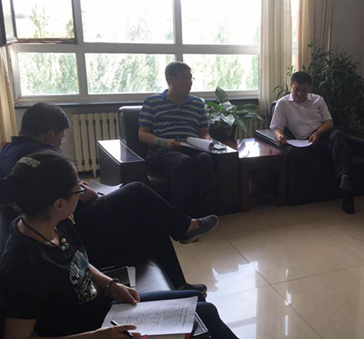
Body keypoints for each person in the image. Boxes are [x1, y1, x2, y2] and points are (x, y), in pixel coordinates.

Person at [0, 151, 289, 339]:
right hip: (92, 337)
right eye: (77, 191)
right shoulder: (24, 263)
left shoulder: (49, 222)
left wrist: (109, 283)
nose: (82, 194)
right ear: (59, 203)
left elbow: (76, 261)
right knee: (204, 313)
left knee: (196, 300)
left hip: (105, 311)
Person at [0, 103, 215, 293]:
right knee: (138, 192)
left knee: (148, 214)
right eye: (61, 136)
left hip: (54, 226)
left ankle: (179, 282)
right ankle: (183, 229)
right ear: (49, 135)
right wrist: (81, 189)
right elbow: (88, 195)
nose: (60, 142)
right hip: (73, 229)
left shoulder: (9, 151)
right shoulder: (45, 154)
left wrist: (77, 186)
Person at [270, 71, 356, 214]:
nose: (299, 94)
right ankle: (346, 188)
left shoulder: (318, 100)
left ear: (310, 88)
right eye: (296, 90)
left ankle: (345, 179)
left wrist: (318, 133)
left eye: (303, 90)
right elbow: (276, 127)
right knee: (345, 151)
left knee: (338, 136)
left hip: (325, 133)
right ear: (291, 86)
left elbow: (329, 122)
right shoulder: (283, 103)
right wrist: (280, 137)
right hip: (309, 141)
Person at [139, 61, 217, 216]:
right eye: (184, 77)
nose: (189, 82)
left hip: (191, 148)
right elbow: (142, 134)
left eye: (190, 77)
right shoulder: (152, 102)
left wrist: (207, 141)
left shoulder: (197, 104)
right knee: (184, 162)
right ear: (171, 79)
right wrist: (164, 142)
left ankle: (202, 213)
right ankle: (181, 217)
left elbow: (204, 132)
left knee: (205, 159)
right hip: (163, 150)